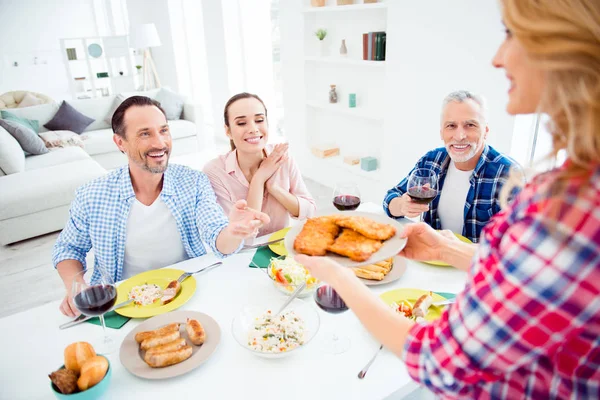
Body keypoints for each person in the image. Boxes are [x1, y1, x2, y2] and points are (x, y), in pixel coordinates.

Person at [296, 0, 600, 397]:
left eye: (512, 34)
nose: (497, 58)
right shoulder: (564, 184)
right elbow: (521, 274)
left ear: (563, 47)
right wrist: (445, 246)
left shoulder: (566, 203)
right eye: (450, 126)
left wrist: (338, 275)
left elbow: (439, 362)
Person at [53, 96, 269, 317]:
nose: (160, 143)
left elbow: (218, 238)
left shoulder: (193, 181)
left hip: (185, 292)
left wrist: (233, 231)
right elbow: (68, 249)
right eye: (145, 134)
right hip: (122, 305)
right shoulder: (92, 195)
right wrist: (74, 286)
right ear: (120, 142)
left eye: (164, 131)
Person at [383, 90, 521, 243]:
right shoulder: (432, 160)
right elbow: (390, 198)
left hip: (475, 264)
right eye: (451, 126)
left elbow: (516, 246)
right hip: (430, 260)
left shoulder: (509, 175)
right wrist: (402, 206)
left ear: (485, 131)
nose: (459, 135)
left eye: (470, 125)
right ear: (442, 132)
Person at [203, 92, 316, 236]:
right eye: (241, 123)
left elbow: (309, 212)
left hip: (280, 246)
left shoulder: (281, 158)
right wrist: (259, 178)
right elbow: (244, 231)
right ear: (228, 131)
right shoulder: (215, 171)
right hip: (240, 253)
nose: (253, 129)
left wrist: (274, 188)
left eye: (259, 120)